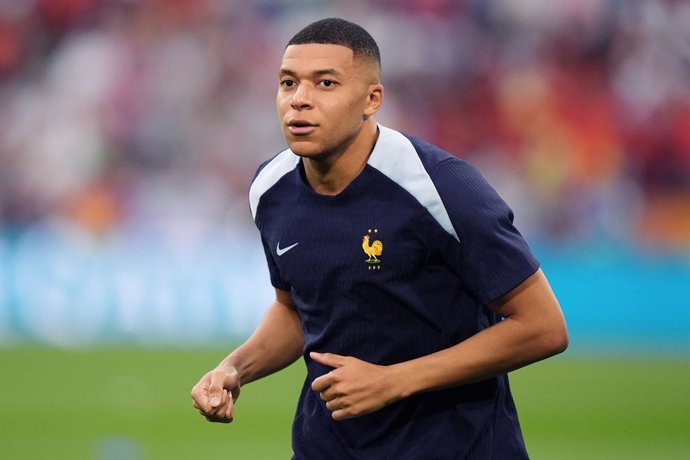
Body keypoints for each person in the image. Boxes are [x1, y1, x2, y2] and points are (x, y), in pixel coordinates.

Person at [191, 17, 568, 459]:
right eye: (288, 83)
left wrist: (394, 380)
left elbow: (543, 326)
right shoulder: (270, 189)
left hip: (452, 447)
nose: (300, 100)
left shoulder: (441, 186)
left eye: (325, 83)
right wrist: (234, 368)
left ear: (372, 99)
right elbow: (295, 312)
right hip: (326, 448)